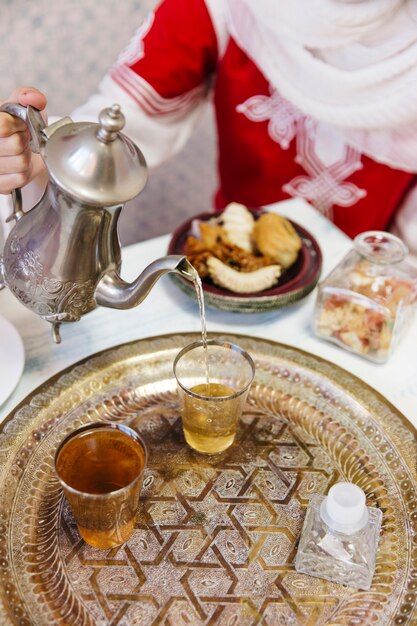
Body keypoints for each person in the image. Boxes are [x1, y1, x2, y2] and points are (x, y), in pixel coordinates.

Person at [1, 0, 417, 249]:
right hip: (238, 266)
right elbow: (118, 120)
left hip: (382, 295)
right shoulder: (228, 6)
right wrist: (43, 153)